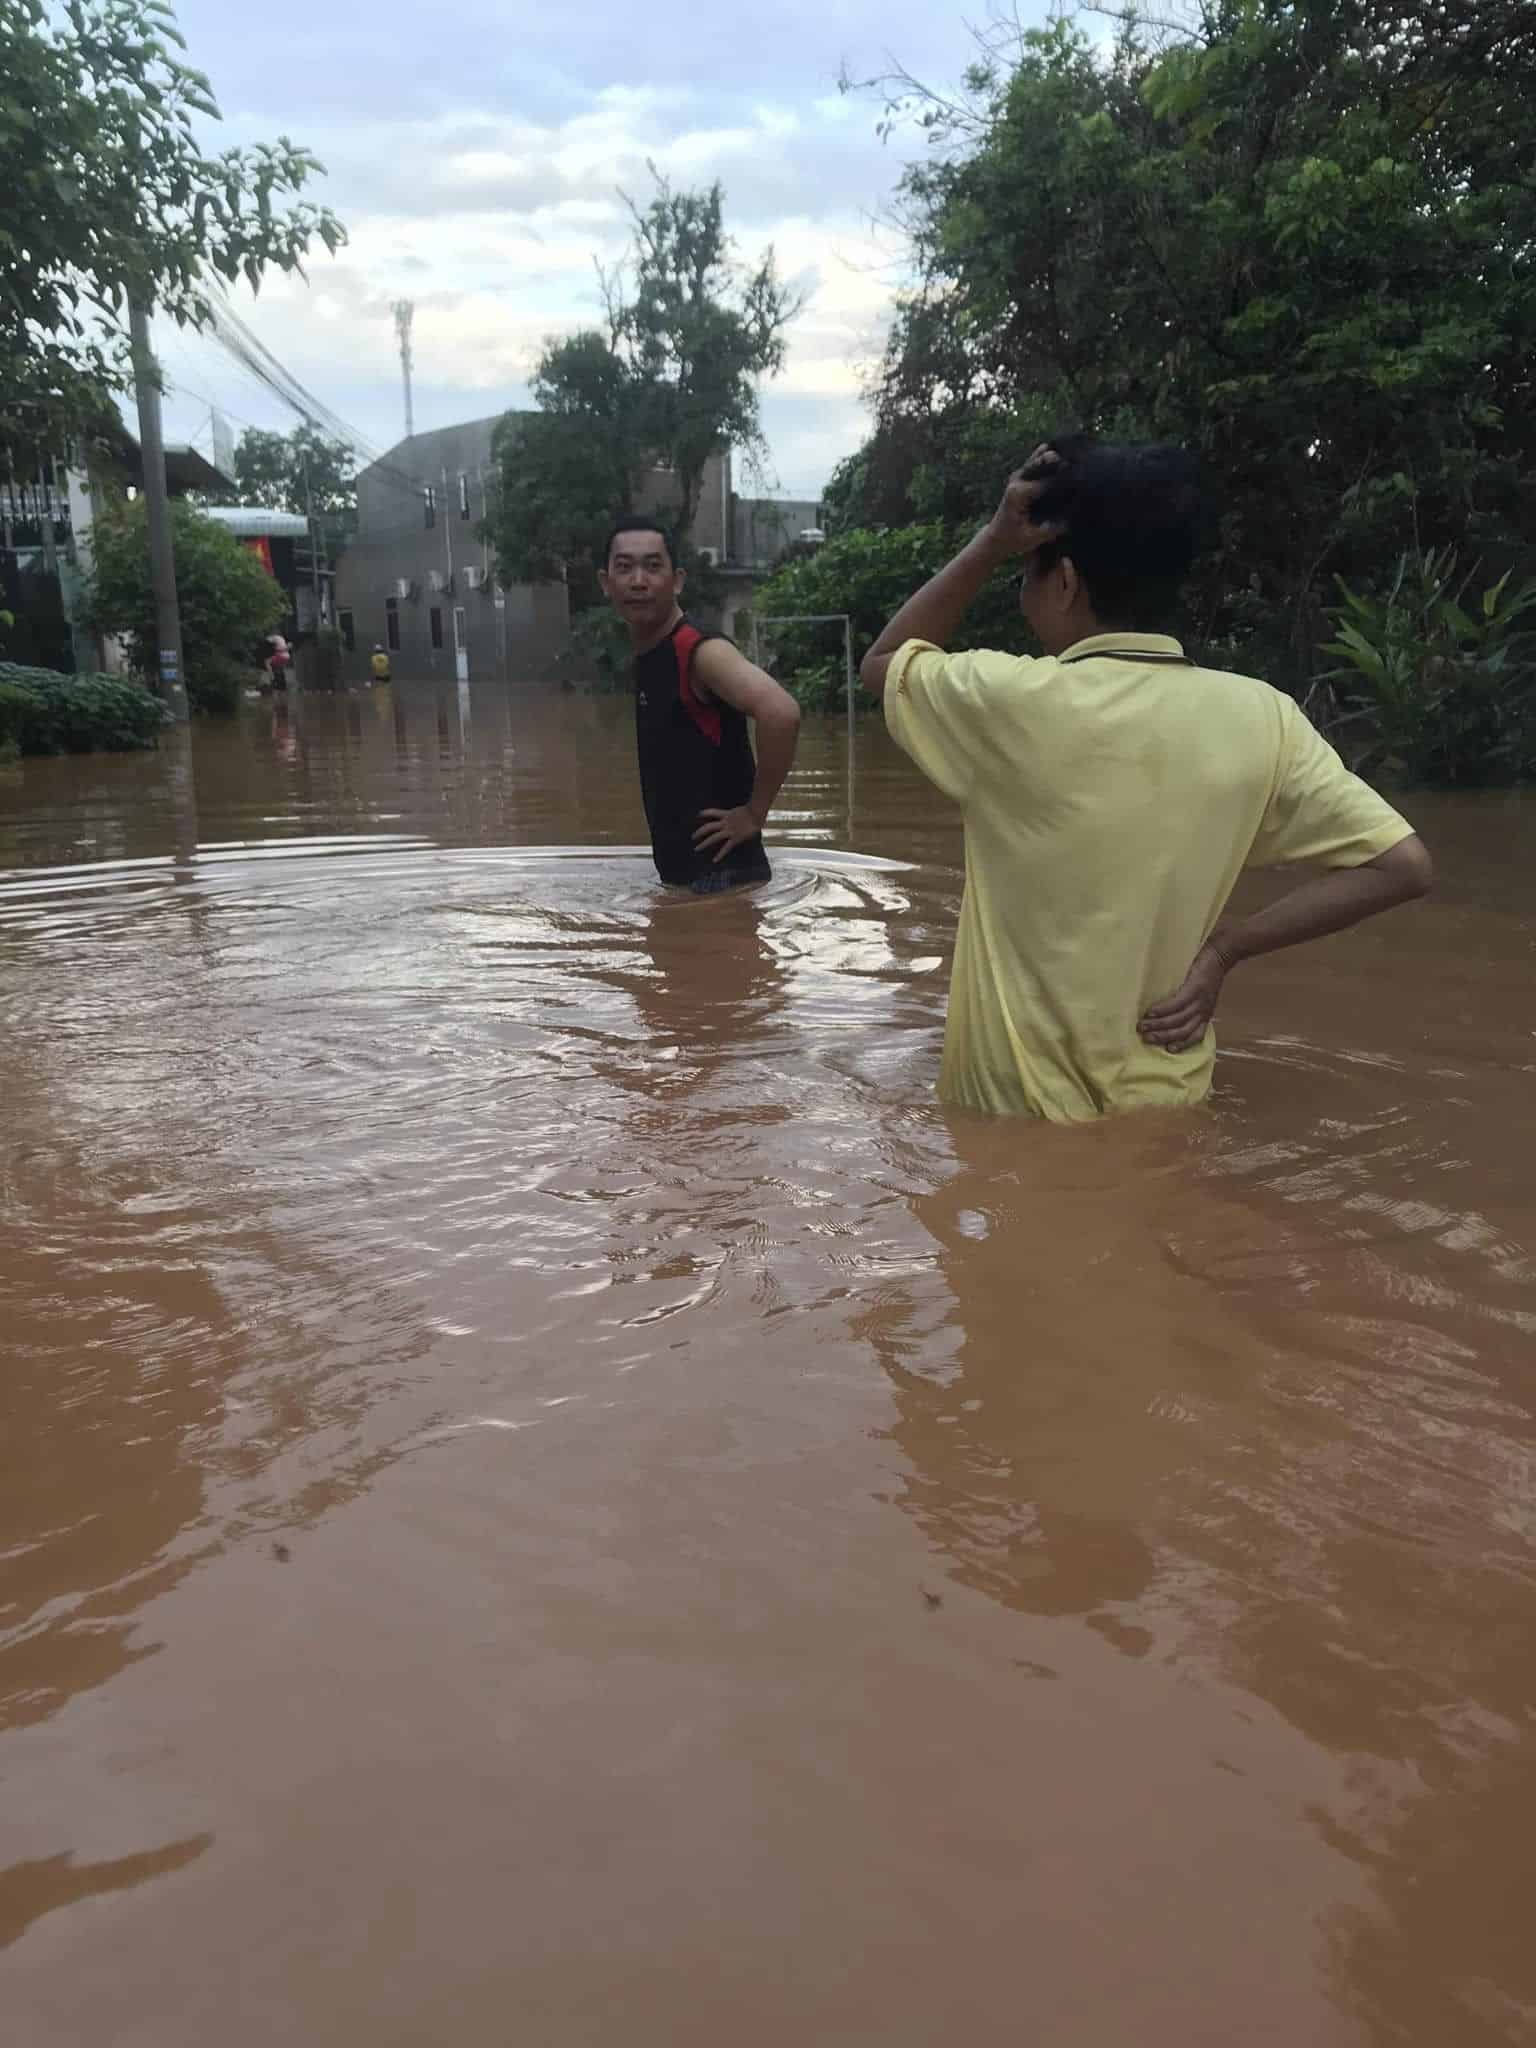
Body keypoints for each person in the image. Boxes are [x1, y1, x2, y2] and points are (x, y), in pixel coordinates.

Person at [859, 436, 1433, 1121]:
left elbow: (885, 659)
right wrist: (1225, 951)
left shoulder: (1004, 702)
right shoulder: (1263, 716)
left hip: (1014, 1131)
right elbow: (1403, 866)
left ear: (1065, 582)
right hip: (1172, 1113)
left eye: (1028, 576)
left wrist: (990, 542)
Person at [600, 517, 801, 894]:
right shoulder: (650, 654)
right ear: (605, 583)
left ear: (677, 581)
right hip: (692, 891)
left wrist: (755, 813)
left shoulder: (700, 652)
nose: (638, 580)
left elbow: (782, 713)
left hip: (725, 886)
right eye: (624, 568)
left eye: (653, 566)